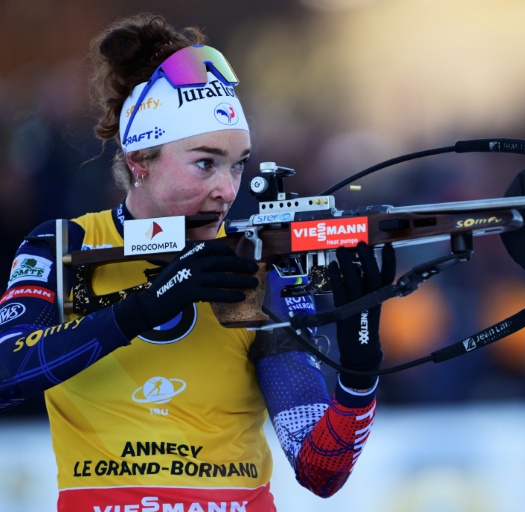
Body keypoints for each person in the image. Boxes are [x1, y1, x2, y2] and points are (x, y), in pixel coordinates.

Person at [0, 13, 395, 512]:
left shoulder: (251, 261)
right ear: (140, 160)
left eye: (238, 165)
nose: (226, 190)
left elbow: (320, 470)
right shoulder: (69, 243)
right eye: (205, 163)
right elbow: (6, 374)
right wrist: (148, 305)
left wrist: (359, 372)